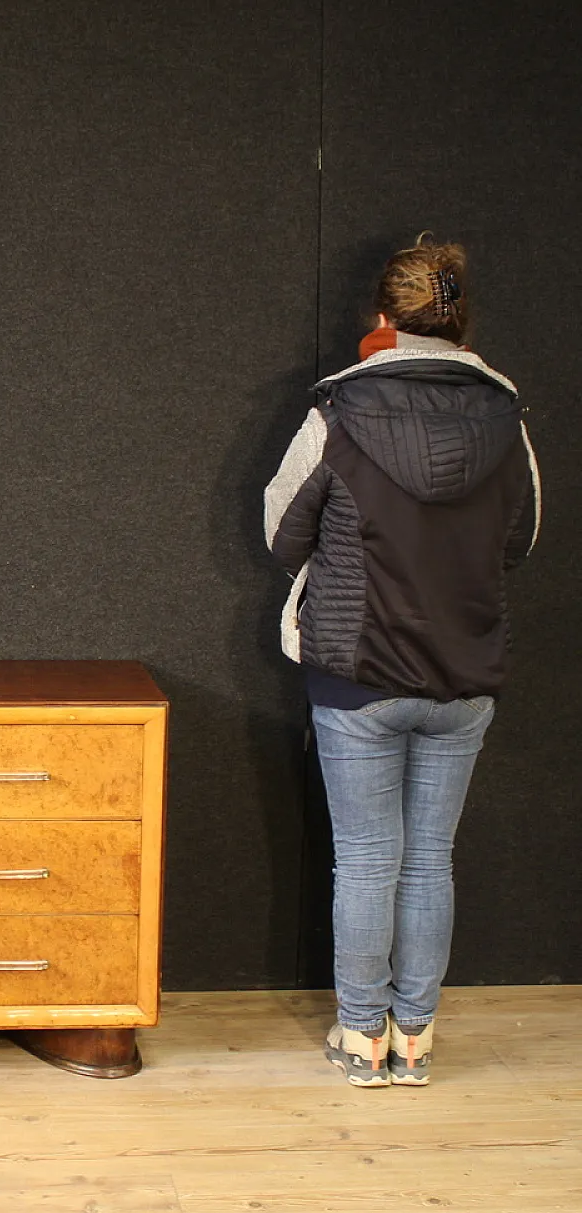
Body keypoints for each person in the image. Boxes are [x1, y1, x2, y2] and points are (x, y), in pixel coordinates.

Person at [263, 234, 541, 1087]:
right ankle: (415, 1037)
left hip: (358, 673)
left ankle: (361, 1037)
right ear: (461, 322)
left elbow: (281, 535)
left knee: (367, 860)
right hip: (464, 671)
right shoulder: (507, 420)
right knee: (429, 861)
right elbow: (522, 540)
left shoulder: (338, 415)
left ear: (383, 318)